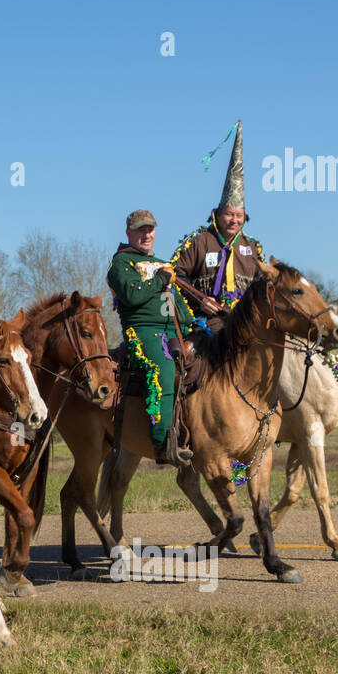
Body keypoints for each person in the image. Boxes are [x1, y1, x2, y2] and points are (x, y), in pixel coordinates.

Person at [107, 209, 195, 468]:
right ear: (128, 233)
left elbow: (178, 303)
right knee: (164, 369)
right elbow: (132, 296)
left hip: (174, 332)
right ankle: (163, 442)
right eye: (140, 230)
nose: (147, 235)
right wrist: (159, 280)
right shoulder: (121, 264)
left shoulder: (160, 262)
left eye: (150, 229)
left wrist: (194, 324)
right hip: (143, 331)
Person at [171, 120, 266, 321]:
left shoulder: (252, 247)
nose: (234, 220)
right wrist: (200, 299)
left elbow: (263, 283)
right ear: (217, 214)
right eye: (229, 214)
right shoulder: (199, 241)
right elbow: (175, 275)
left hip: (245, 321)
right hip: (207, 320)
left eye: (239, 216)